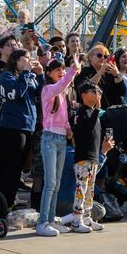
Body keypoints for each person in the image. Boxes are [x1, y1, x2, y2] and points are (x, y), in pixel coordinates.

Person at [0, 48, 44, 207]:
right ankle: (4, 203)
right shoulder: (6, 76)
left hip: (28, 126)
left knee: (19, 168)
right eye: (26, 58)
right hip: (13, 127)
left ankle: (10, 200)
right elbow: (15, 93)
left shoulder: (29, 76)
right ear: (16, 60)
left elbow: (41, 94)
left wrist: (40, 75)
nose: (29, 61)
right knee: (11, 167)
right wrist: (26, 74)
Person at [37, 56, 80, 236]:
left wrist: (68, 129)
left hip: (61, 138)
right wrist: (73, 71)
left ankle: (51, 218)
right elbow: (61, 85)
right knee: (50, 182)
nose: (61, 73)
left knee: (57, 183)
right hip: (49, 137)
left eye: (63, 70)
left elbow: (62, 117)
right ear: (49, 73)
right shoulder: (48, 89)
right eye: (57, 70)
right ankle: (42, 222)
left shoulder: (61, 94)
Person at [69, 83, 105, 232]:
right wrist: (97, 107)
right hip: (83, 157)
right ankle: (76, 220)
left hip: (93, 157)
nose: (97, 94)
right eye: (93, 91)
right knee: (81, 190)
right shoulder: (81, 112)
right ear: (83, 95)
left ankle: (87, 218)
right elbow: (86, 128)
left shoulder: (94, 113)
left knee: (90, 191)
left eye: (98, 91)